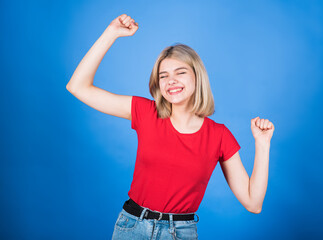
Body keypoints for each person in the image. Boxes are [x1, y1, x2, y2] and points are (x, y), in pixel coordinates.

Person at [66, 13, 275, 240]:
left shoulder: (219, 136)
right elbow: (78, 87)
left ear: (197, 77)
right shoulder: (146, 112)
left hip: (180, 233)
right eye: (163, 76)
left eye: (180, 73)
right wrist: (112, 33)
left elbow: (253, 203)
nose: (171, 81)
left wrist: (262, 144)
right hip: (131, 227)